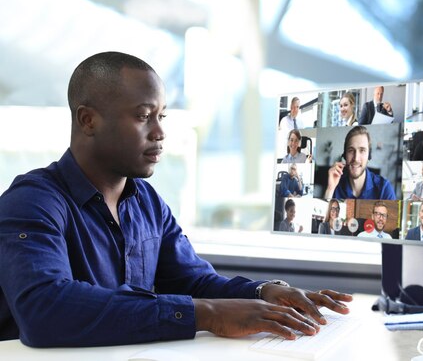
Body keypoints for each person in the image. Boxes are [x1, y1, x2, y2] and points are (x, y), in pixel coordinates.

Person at [0, 52, 351, 347]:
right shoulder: (32, 202)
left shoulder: (146, 201)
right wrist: (208, 314)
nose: (160, 132)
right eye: (143, 116)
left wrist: (262, 293)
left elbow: (192, 281)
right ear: (88, 120)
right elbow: (44, 310)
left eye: (161, 116)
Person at [324, 125, 396, 200]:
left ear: (369, 156)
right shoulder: (336, 185)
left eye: (362, 150)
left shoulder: (384, 189)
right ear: (345, 155)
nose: (356, 158)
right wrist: (330, 189)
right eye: (351, 150)